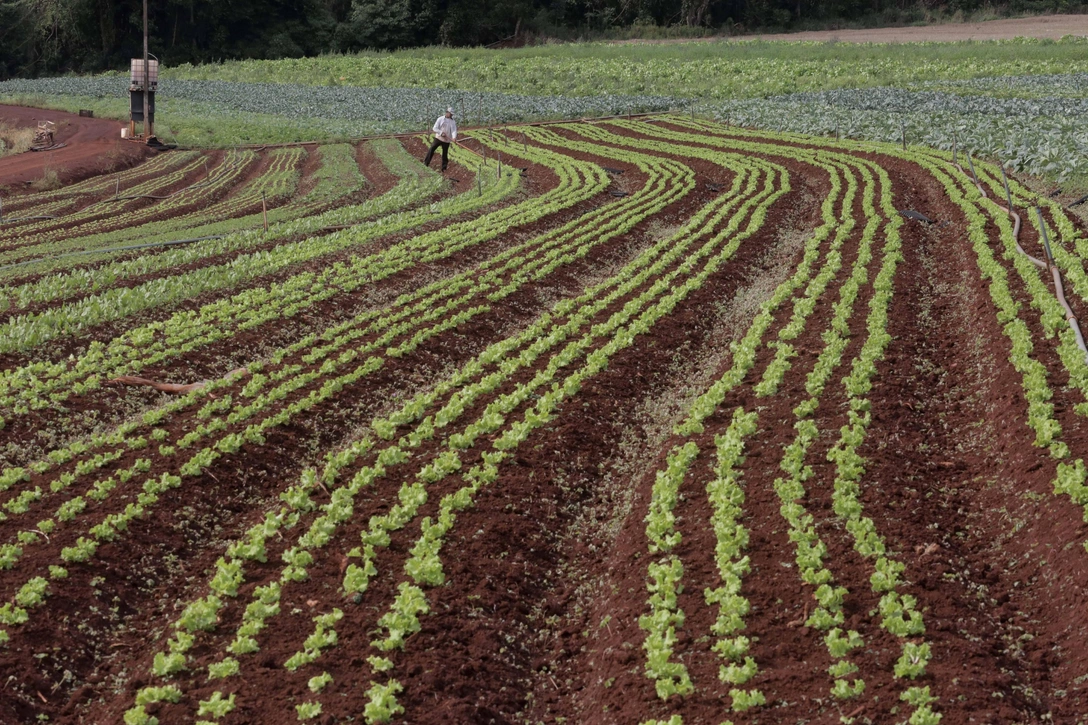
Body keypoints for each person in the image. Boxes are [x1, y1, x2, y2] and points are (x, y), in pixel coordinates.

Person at [424, 107, 457, 172]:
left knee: (445, 154)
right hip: (439, 138)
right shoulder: (440, 119)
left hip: (446, 140)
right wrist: (441, 133)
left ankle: (444, 168)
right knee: (432, 149)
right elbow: (435, 128)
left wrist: (454, 137)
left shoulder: (453, 122)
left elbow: (454, 130)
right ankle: (426, 163)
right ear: (447, 113)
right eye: (450, 114)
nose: (451, 115)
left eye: (452, 114)